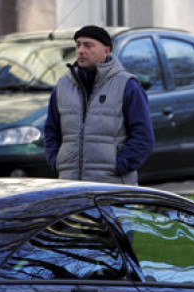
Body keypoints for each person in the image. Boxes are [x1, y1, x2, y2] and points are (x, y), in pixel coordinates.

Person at [44, 25, 153, 185]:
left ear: (106, 50)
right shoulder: (63, 86)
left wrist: (119, 166)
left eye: (88, 45)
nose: (81, 50)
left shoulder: (127, 85)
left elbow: (143, 137)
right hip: (70, 186)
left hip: (112, 186)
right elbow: (51, 132)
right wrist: (57, 162)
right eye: (78, 45)